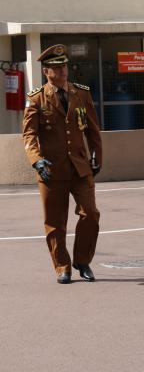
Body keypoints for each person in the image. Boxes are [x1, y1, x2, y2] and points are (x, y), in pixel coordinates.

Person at [22, 44, 102, 284]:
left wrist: (97, 155)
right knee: (55, 222)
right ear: (47, 72)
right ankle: (62, 267)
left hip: (80, 166)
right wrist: (36, 161)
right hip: (51, 170)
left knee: (91, 214)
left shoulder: (81, 93)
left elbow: (92, 129)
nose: (63, 71)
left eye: (64, 66)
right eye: (57, 68)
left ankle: (83, 261)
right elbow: (29, 135)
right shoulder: (36, 99)